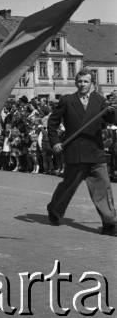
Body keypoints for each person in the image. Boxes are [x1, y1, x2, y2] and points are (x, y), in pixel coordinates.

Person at [47, 69, 117, 236]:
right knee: (68, 187)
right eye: (80, 81)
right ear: (75, 83)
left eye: (86, 82)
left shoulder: (99, 100)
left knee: (103, 188)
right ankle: (54, 210)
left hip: (95, 151)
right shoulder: (67, 100)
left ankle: (109, 223)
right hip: (75, 152)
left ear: (91, 83)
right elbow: (52, 123)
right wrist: (55, 142)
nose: (82, 85)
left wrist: (112, 111)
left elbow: (111, 120)